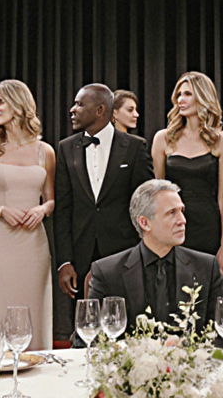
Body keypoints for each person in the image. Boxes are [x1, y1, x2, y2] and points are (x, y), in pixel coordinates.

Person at [0, 79, 55, 349]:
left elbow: (51, 199)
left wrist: (42, 209)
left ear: (19, 104)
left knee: (33, 307)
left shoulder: (45, 152)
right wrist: (1, 210)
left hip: (34, 245)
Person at [54, 84, 153, 301]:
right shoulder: (65, 148)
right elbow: (63, 208)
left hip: (125, 253)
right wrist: (64, 261)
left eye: (80, 104)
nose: (72, 109)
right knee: (84, 326)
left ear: (100, 110)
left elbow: (146, 205)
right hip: (80, 255)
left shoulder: (135, 147)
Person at [88, 179, 223, 331]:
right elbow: (88, 337)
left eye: (182, 211)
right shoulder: (108, 272)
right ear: (144, 223)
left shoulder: (207, 268)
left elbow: (221, 334)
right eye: (171, 213)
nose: (183, 220)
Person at [151, 72, 223, 274]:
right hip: (172, 223)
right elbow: (156, 192)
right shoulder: (163, 138)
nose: (180, 100)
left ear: (203, 97)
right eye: (179, 94)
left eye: (187, 94)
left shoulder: (222, 141)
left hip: (207, 225)